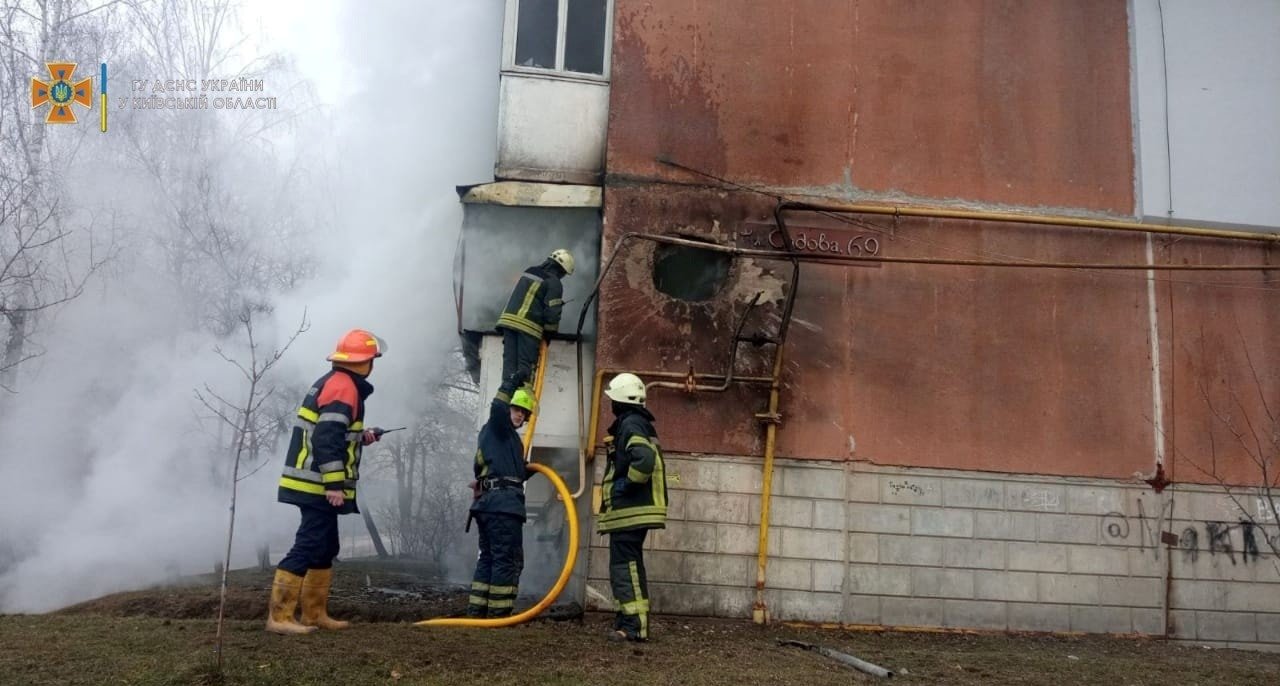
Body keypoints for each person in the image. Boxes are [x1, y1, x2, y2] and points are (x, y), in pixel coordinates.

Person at [265, 328, 386, 635]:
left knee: (325, 545)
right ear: (363, 363)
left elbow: (337, 433)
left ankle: (314, 614)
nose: (373, 364)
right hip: (316, 484)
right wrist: (334, 484)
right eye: (372, 359)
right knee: (309, 543)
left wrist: (362, 437)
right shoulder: (344, 387)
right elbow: (326, 437)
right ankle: (279, 617)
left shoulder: (335, 383)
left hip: (314, 482)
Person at [597, 372, 667, 642]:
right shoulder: (638, 423)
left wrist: (624, 486)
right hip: (633, 512)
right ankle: (628, 622)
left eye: (612, 399)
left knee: (625, 567)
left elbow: (644, 460)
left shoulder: (630, 424)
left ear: (619, 401)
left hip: (631, 510)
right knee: (630, 567)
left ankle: (633, 627)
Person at [466, 387, 537, 618]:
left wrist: (533, 470)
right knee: (506, 559)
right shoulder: (498, 427)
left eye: (524, 413)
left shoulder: (507, 440)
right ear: (507, 408)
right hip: (502, 506)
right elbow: (497, 407)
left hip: (490, 505)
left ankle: (477, 611)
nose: (520, 416)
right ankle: (498, 614)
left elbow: (512, 473)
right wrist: (512, 381)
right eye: (517, 409)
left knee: (488, 557)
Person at [494, 249, 574, 403]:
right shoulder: (554, 282)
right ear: (562, 270)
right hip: (528, 328)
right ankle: (521, 409)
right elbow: (552, 313)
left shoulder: (529, 271)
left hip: (508, 323)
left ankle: (502, 404)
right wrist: (550, 334)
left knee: (509, 370)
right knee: (525, 370)